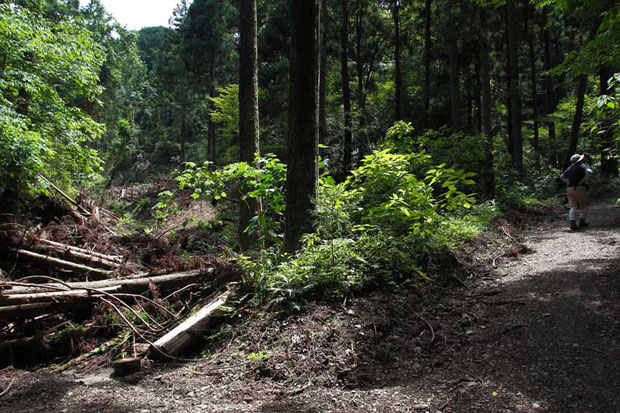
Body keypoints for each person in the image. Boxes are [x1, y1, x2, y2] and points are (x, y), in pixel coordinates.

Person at [560, 154, 593, 230]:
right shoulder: (582, 166)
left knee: (573, 207)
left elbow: (562, 176)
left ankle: (572, 223)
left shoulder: (570, 168)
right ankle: (582, 221)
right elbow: (589, 172)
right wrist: (584, 180)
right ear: (580, 160)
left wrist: (567, 181)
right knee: (584, 205)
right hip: (580, 188)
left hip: (569, 189)